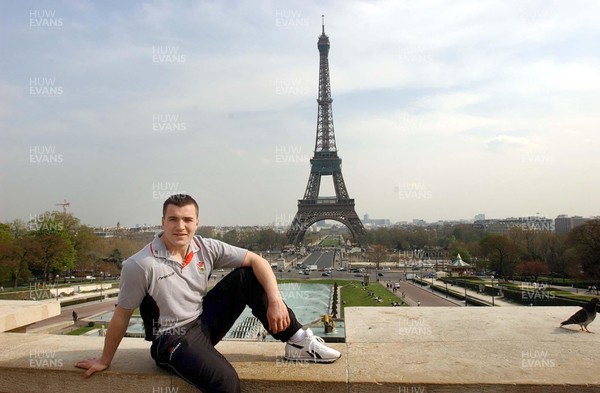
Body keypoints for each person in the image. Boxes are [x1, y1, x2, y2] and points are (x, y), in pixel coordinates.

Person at [76, 194, 340, 392]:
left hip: (202, 322)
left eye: (187, 219)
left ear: (197, 222)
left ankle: (296, 341)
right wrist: (105, 359)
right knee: (227, 384)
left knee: (247, 275)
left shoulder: (205, 246)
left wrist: (275, 301)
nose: (180, 226)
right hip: (171, 339)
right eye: (173, 219)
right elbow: (122, 315)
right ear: (163, 222)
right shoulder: (140, 265)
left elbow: (258, 260)